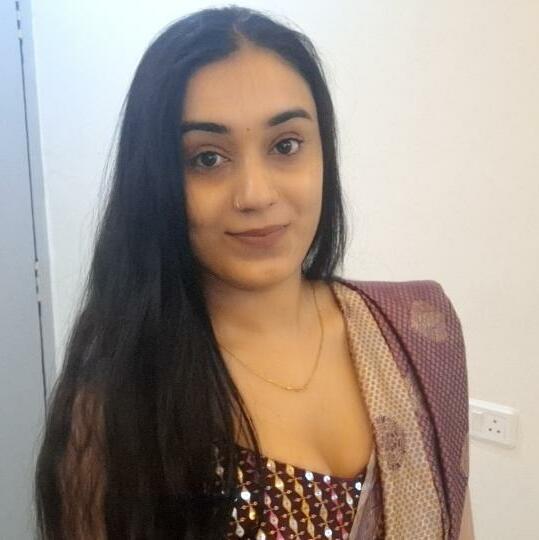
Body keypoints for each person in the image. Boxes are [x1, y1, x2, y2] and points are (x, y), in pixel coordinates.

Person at [34, 5, 474, 539]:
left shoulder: (417, 332)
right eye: (207, 158)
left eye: (286, 145)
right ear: (155, 180)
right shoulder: (119, 405)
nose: (256, 194)